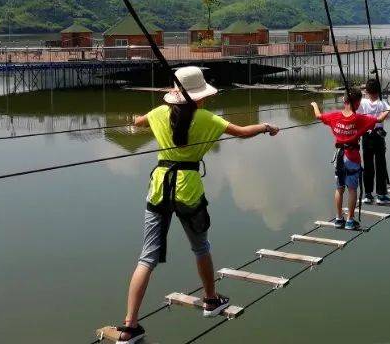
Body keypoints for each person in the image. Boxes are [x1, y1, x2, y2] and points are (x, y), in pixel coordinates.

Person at [99, 66, 280, 344]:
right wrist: (267, 127)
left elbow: (138, 122)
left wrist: (140, 118)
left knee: (146, 258)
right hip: (188, 190)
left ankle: (130, 325)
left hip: (159, 189)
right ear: (199, 96)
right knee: (201, 247)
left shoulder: (159, 113)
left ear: (175, 94)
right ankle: (211, 299)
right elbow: (243, 132)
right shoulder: (207, 119)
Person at [311, 88, 390, 230]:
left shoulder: (334, 116)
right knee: (352, 189)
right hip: (352, 157)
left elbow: (318, 116)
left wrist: (315, 105)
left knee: (339, 188)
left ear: (344, 100)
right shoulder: (359, 119)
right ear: (358, 103)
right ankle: (350, 220)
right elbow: (379, 119)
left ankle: (338, 218)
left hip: (339, 157)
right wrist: (388, 110)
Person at [358, 78, 390, 205]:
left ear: (367, 91)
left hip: (366, 136)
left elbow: (354, 108)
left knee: (368, 166)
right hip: (378, 136)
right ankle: (381, 195)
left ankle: (368, 195)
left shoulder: (362, 102)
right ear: (378, 91)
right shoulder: (382, 103)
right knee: (380, 165)